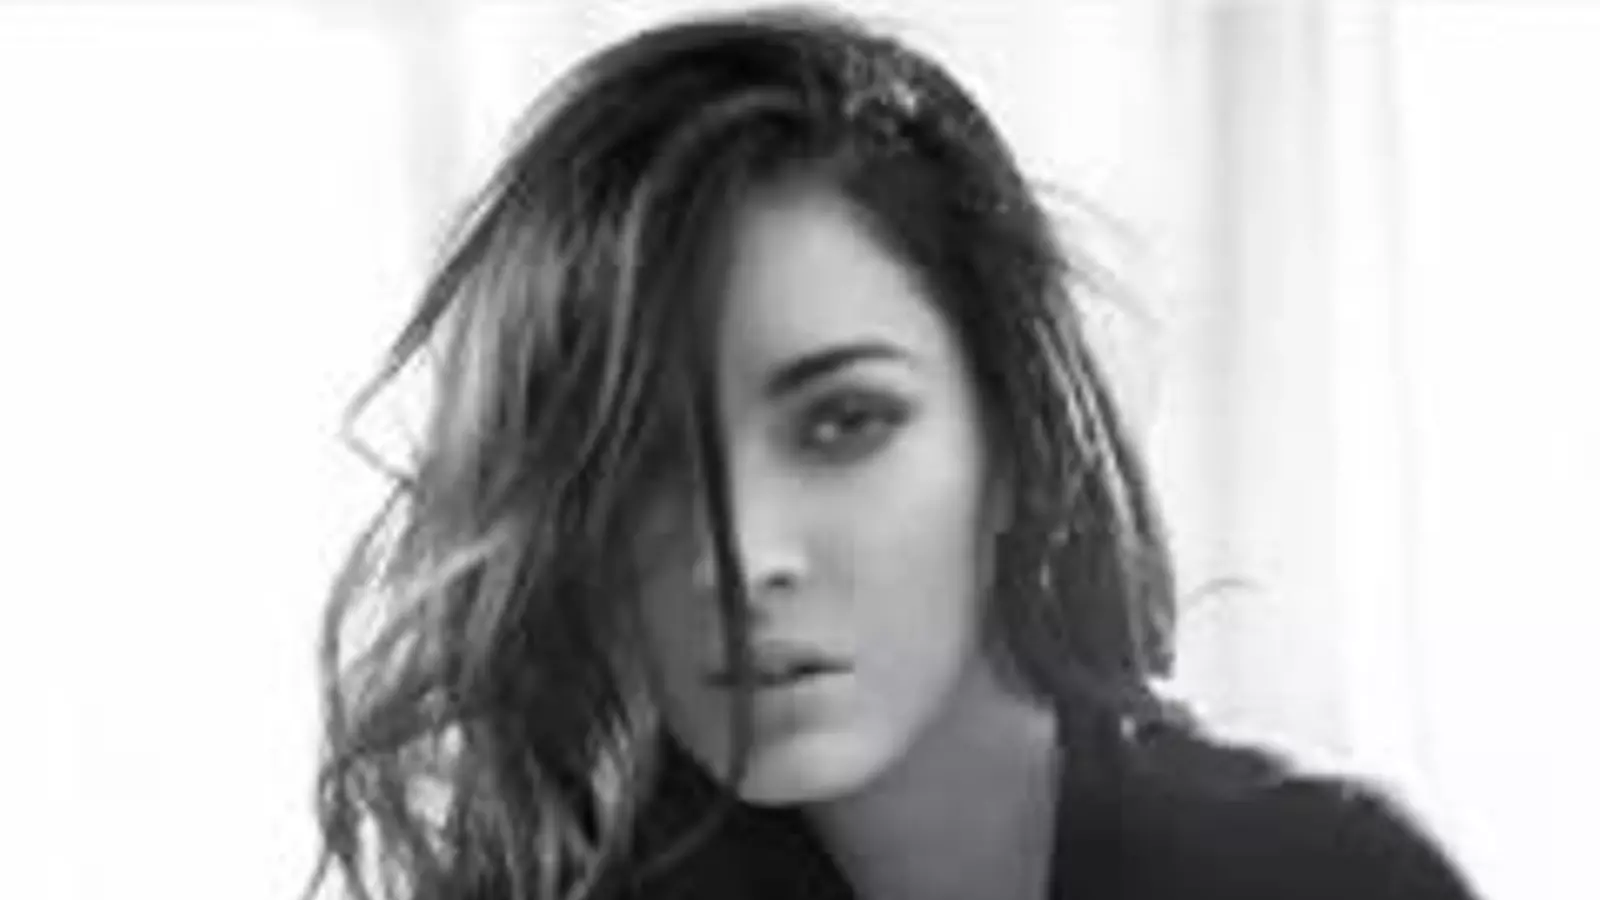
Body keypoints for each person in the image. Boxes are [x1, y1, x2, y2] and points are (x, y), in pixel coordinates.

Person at [307, 7, 1481, 900]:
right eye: (644, 462)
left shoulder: (1323, 878)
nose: (743, 557)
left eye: (844, 424)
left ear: (1010, 435)